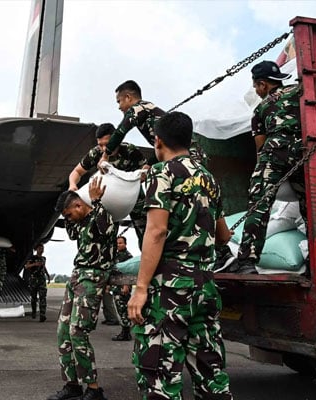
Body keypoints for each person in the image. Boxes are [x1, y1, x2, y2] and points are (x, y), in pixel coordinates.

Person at [127, 112, 232, 400]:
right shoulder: (210, 179)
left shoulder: (163, 173)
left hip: (171, 288)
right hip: (205, 286)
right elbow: (223, 236)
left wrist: (140, 288)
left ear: (158, 141)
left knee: (160, 375)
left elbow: (156, 232)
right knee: (211, 372)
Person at [232, 60, 306, 274]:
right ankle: (313, 259)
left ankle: (247, 261)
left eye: (256, 86)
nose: (256, 90)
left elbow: (260, 147)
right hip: (302, 152)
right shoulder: (298, 92)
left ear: (263, 84)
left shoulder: (260, 109)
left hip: (273, 154)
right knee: (309, 207)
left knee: (260, 205)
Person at [47, 178, 116, 400]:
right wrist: (70, 189)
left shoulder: (102, 216)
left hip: (93, 277)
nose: (68, 219)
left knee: (78, 332)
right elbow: (72, 233)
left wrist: (96, 201)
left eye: (68, 214)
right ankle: (72, 385)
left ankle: (94, 389)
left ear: (79, 206)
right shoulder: (81, 224)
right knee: (63, 332)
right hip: (77, 276)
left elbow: (107, 230)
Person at [69, 122, 149, 248]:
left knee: (145, 231)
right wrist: (72, 185)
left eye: (107, 144)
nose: (103, 149)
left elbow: (145, 168)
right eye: (100, 145)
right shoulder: (95, 153)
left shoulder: (129, 150)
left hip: (133, 196)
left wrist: (140, 177)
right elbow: (77, 172)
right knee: (106, 232)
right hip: (108, 199)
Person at [99, 80, 208, 168]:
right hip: (191, 157)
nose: (119, 107)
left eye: (119, 101)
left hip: (189, 156)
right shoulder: (147, 112)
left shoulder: (138, 108)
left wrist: (105, 155)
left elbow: (120, 131)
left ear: (128, 97)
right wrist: (149, 165)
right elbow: (163, 146)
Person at [110, 235, 133, 341]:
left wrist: (126, 285)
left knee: (123, 309)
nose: (118, 245)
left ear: (125, 244)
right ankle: (125, 330)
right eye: (117, 243)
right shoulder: (115, 255)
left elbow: (129, 272)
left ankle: (126, 333)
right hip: (116, 286)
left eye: (120, 243)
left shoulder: (127, 256)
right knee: (120, 309)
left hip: (123, 287)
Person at [25, 243, 50, 322]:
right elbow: (26, 266)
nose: (41, 250)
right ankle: (34, 312)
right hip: (34, 280)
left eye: (42, 248)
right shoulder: (32, 258)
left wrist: (48, 275)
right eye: (40, 248)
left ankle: (42, 315)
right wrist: (34, 264)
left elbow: (44, 267)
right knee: (34, 298)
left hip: (42, 280)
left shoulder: (44, 258)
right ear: (36, 249)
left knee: (43, 298)